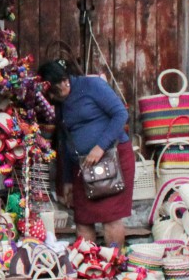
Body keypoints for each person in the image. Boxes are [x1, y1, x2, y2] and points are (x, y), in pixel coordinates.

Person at [38, 59, 133, 248]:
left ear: (65, 80)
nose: (56, 98)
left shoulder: (93, 85)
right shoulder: (60, 102)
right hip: (83, 167)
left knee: (110, 218)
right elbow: (64, 140)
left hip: (111, 159)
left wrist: (100, 147)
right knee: (83, 220)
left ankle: (113, 265)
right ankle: (90, 267)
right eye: (52, 96)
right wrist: (66, 180)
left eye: (58, 92)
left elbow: (121, 114)